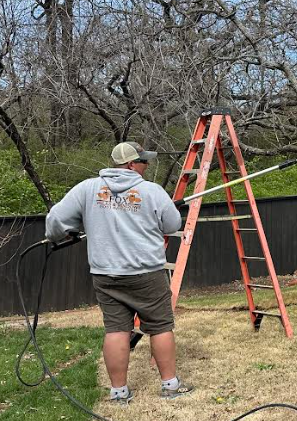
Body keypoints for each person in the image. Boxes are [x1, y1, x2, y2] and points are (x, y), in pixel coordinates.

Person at [45, 141, 193, 403]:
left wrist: (61, 234)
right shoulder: (152, 191)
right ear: (131, 164)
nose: (146, 165)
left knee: (116, 330)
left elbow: (55, 221)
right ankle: (170, 386)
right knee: (160, 327)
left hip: (106, 274)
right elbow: (172, 224)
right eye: (144, 161)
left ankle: (119, 393)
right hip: (147, 273)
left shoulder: (87, 189)